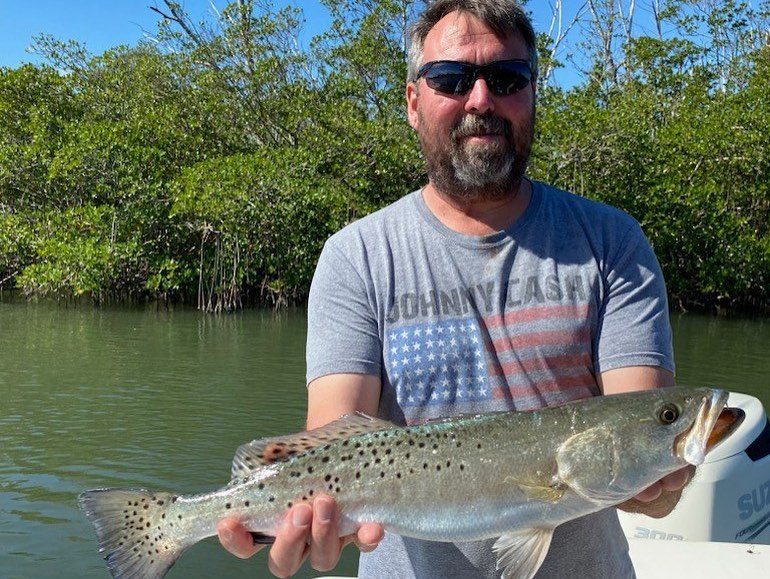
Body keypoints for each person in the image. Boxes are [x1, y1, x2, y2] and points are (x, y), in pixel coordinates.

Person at [217, 0, 691, 577]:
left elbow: (641, 442)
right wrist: (302, 521)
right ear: (413, 102)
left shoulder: (612, 242)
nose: (481, 99)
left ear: (534, 94)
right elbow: (333, 432)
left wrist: (660, 481)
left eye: (507, 77)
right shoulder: (355, 256)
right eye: (451, 78)